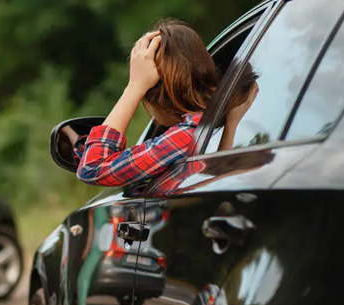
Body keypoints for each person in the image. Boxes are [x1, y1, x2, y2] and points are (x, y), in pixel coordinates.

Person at [76, 19, 258, 189]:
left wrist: (134, 87)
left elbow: (93, 168)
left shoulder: (186, 136)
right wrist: (231, 125)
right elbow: (218, 181)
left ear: (154, 96)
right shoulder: (211, 128)